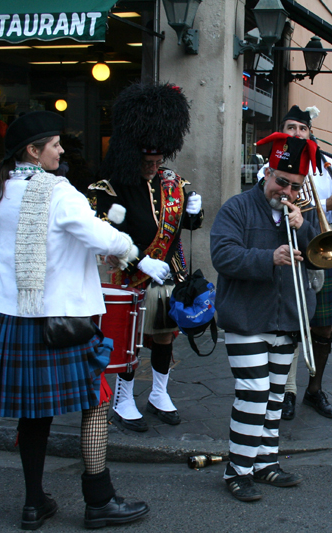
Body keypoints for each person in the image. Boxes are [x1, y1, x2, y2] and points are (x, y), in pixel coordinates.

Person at [0, 111, 149, 530]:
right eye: (55, 144)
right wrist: (128, 249)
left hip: (12, 316)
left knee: (33, 412)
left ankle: (33, 503)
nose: (62, 151)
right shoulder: (60, 193)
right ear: (33, 150)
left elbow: (47, 241)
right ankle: (99, 501)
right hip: (64, 319)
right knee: (97, 403)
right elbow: (101, 237)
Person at [211, 132, 321, 502]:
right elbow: (223, 256)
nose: (285, 191)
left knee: (275, 396)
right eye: (280, 182)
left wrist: (303, 227)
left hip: (287, 317)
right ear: (267, 172)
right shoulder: (237, 208)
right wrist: (267, 258)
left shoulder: (299, 215)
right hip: (246, 317)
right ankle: (238, 469)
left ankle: (265, 462)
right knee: (254, 392)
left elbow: (321, 255)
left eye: (294, 186)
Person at [90, 82, 203, 432]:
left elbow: (188, 223)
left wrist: (196, 212)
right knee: (129, 341)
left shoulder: (173, 183)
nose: (154, 167)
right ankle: (124, 399)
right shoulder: (108, 188)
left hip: (167, 275)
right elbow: (101, 237)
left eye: (158, 161)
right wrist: (139, 260)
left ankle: (158, 393)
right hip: (129, 277)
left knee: (165, 336)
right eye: (147, 161)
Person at [258, 105, 332, 421]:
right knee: (290, 326)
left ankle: (315, 389)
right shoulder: (270, 166)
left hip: (322, 250)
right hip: (288, 250)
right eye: (291, 127)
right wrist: (326, 203)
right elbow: (271, 201)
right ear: (282, 132)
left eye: (302, 128)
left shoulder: (326, 166)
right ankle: (286, 391)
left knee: (322, 329)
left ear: (310, 133)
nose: (297, 133)